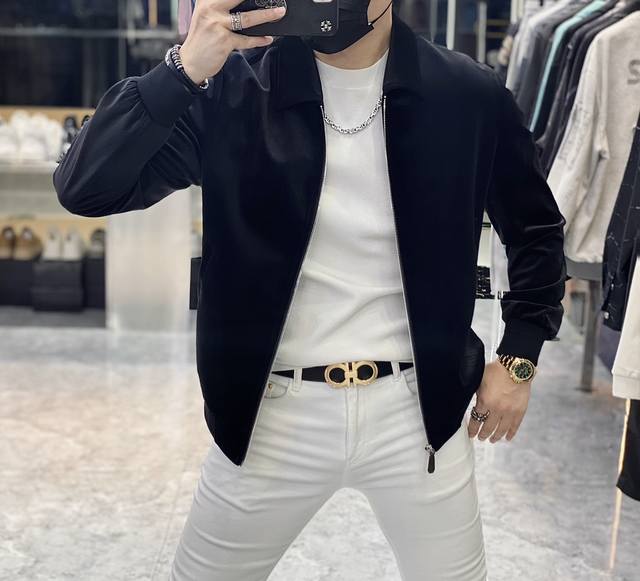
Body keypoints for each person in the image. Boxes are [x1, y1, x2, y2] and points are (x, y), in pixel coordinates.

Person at [53, 0, 567, 578]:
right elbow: (85, 187)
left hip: (419, 413)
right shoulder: (235, 91)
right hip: (269, 414)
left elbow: (537, 230)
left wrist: (519, 356)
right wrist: (182, 69)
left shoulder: (465, 93)